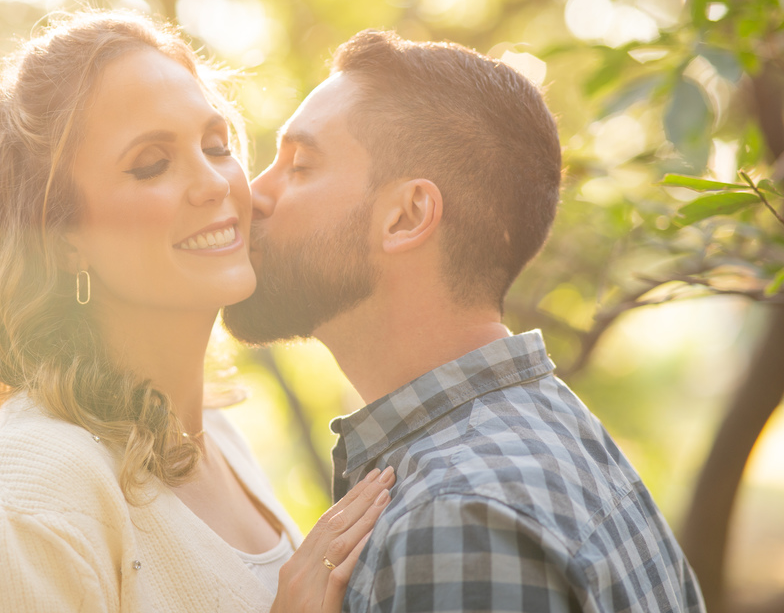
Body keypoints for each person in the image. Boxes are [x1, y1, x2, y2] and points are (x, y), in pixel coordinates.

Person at [0, 10, 395, 613]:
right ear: (60, 236)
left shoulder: (219, 439)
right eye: (152, 164)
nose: (214, 184)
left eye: (216, 145)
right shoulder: (31, 503)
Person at [224, 30, 706, 612]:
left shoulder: (451, 520)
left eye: (299, 166)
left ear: (406, 216)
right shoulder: (558, 437)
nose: (253, 195)